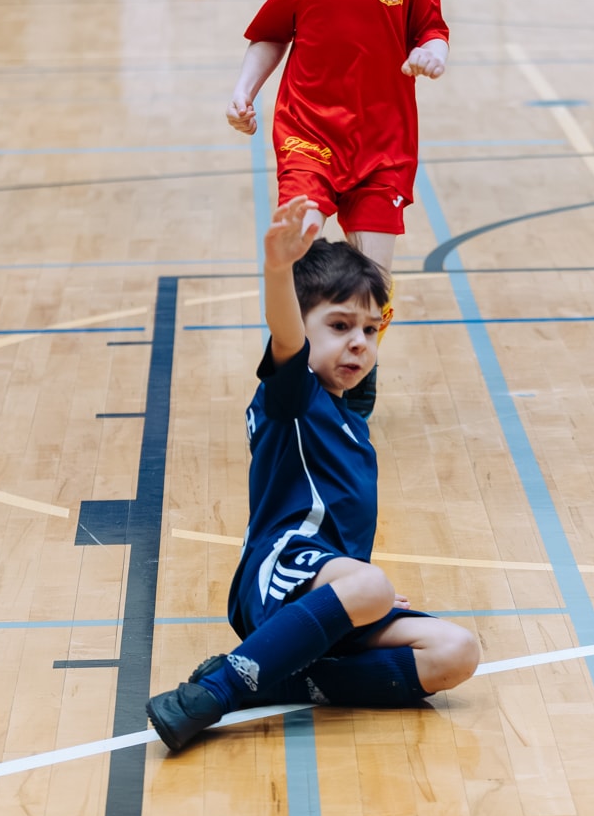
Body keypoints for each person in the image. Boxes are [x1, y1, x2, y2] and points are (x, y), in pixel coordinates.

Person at [145, 197, 480, 751]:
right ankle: (218, 689)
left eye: (370, 330)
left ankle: (280, 677)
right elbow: (286, 335)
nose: (359, 342)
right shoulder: (294, 398)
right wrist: (279, 269)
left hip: (331, 593)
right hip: (279, 574)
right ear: (302, 330)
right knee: (372, 585)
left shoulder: (350, 417)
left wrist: (354, 595)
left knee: (456, 652)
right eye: (340, 325)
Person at [227, 0, 449, 419]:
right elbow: (271, 34)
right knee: (296, 254)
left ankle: (357, 375)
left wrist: (434, 51)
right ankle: (288, 367)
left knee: (372, 281)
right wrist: (244, 90)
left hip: (385, 144)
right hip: (310, 135)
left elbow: (432, 29)